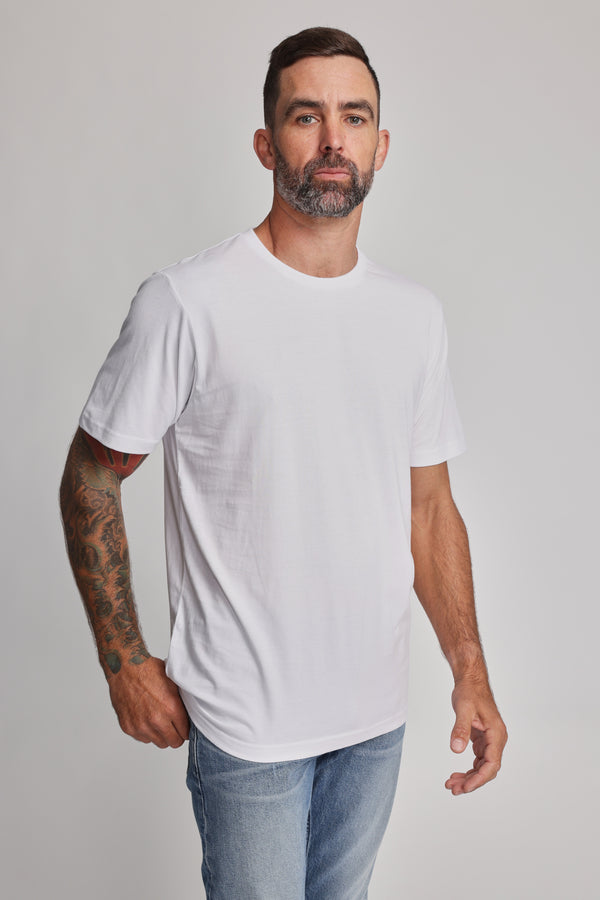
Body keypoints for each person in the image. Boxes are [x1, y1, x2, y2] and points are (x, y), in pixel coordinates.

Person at [60, 26, 507, 899]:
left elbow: (429, 509)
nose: (333, 140)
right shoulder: (188, 303)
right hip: (247, 723)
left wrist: (471, 670)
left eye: (355, 117)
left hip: (374, 718)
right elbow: (91, 475)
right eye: (307, 116)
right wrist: (123, 660)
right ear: (268, 143)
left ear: (382, 145)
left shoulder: (413, 317)